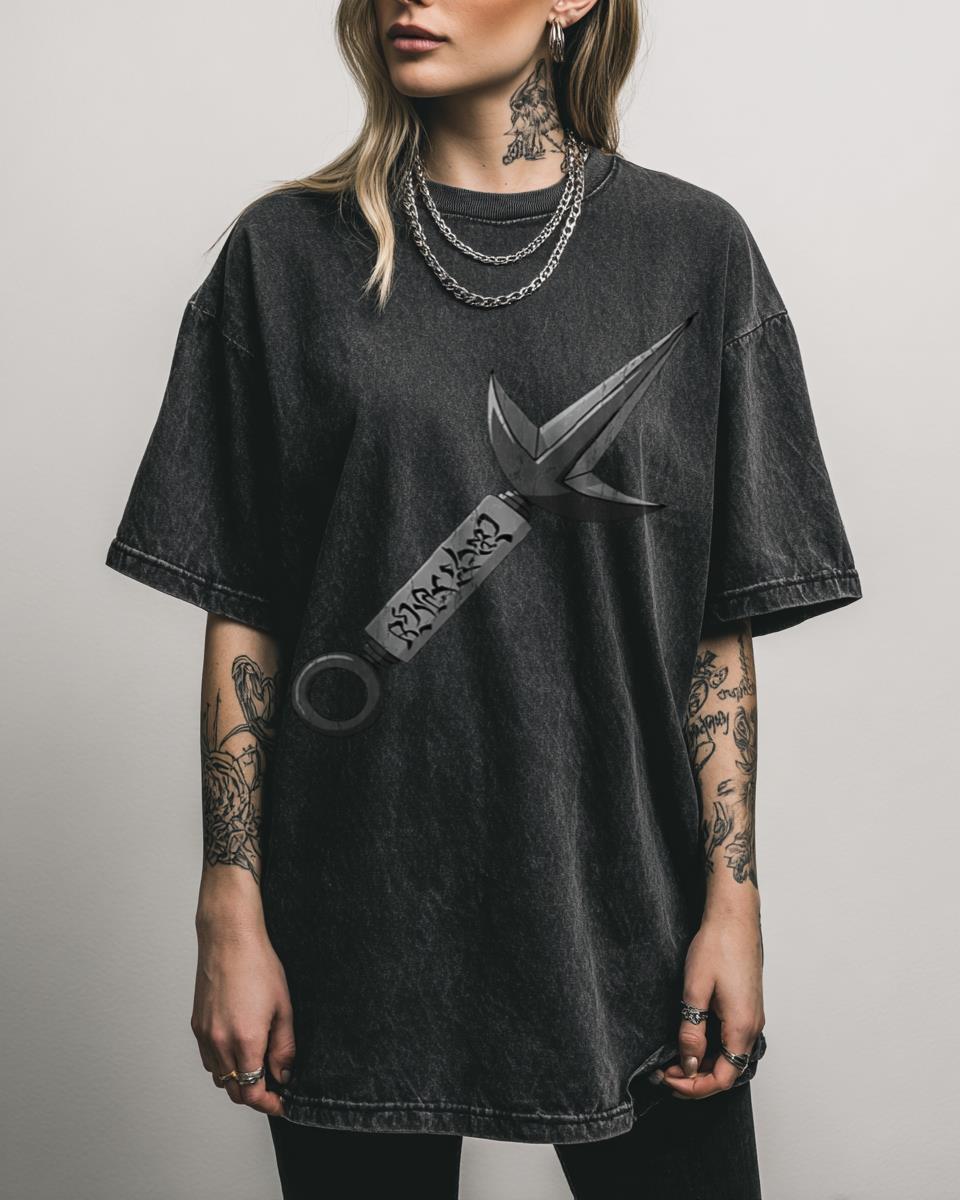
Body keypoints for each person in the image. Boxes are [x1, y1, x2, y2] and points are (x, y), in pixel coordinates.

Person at [104, 0, 863, 1196]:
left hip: (630, 912)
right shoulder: (286, 256)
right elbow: (244, 608)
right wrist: (229, 904)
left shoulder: (694, 251)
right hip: (353, 919)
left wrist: (734, 901)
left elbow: (715, 633)